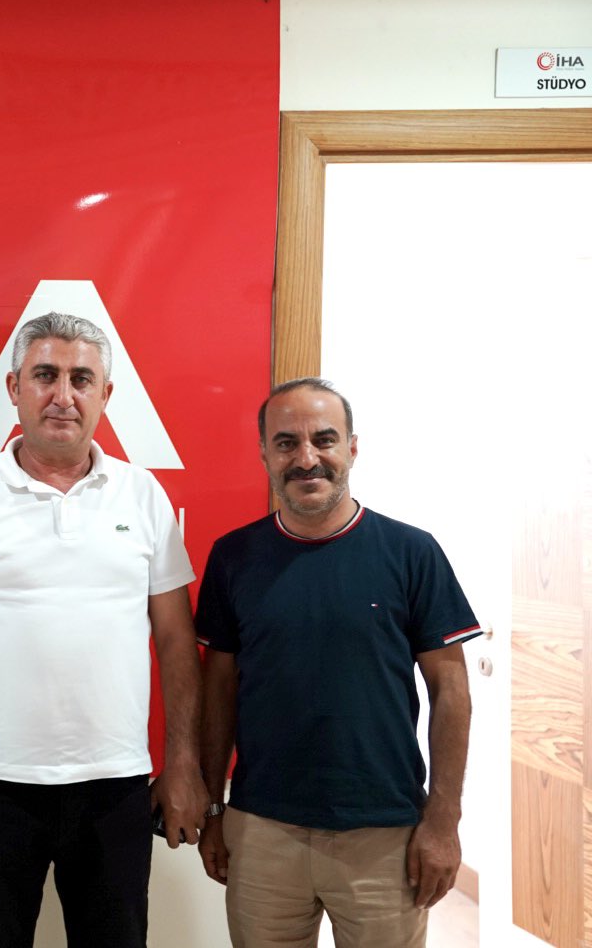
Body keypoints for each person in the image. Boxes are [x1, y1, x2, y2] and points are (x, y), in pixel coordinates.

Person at [0, 311, 207, 948]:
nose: (63, 395)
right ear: (14, 388)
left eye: (80, 379)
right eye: (45, 375)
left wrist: (182, 762)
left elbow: (177, 641)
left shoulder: (143, 495)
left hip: (114, 784)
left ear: (106, 395)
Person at [195, 377, 480, 948]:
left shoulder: (412, 552)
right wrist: (213, 810)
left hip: (386, 833)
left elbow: (451, 691)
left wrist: (443, 820)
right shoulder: (233, 557)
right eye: (286, 443)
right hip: (262, 830)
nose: (307, 459)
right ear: (264, 454)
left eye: (324, 439)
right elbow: (218, 690)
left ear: (352, 447)